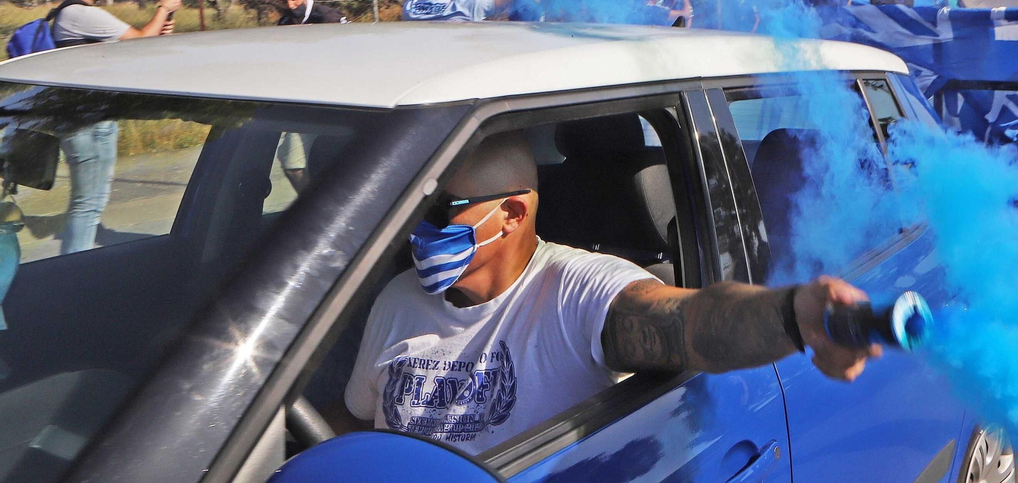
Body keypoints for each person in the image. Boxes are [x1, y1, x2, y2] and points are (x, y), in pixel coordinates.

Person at [340, 133, 879, 450]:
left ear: (511, 214)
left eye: (441, 210)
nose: (418, 225)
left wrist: (790, 315)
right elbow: (358, 425)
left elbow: (692, 322)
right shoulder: (398, 298)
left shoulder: (577, 291)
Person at [45, 0, 184, 254]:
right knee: (88, 206)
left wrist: (160, 28)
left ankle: (72, 271)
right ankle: (72, 277)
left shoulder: (67, 15)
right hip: (89, 125)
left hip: (81, 121)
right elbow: (139, 41)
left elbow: (131, 50)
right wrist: (164, 8)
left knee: (86, 204)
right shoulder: (80, 13)